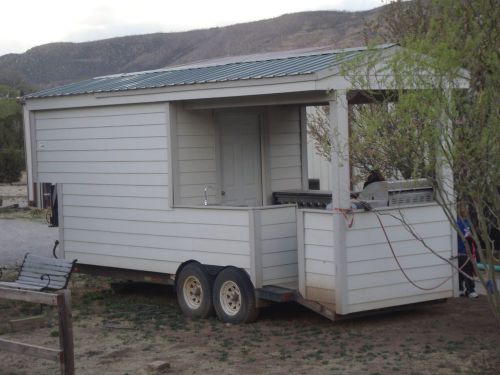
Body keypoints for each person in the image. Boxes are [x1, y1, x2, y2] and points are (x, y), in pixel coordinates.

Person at [457, 206, 478, 298]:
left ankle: (462, 289)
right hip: (463, 252)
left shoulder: (464, 222)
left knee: (464, 271)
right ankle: (470, 290)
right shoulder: (459, 223)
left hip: (464, 252)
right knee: (466, 272)